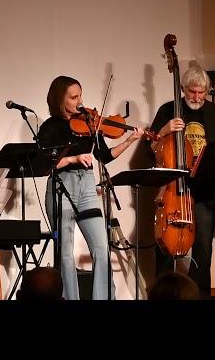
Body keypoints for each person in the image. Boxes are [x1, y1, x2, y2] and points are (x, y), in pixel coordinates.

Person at [37, 76, 143, 300]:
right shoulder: (50, 127)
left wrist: (129, 141)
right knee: (65, 255)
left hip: (86, 186)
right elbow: (47, 162)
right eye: (74, 97)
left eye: (80, 96)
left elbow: (104, 156)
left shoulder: (88, 122)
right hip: (61, 186)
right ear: (59, 99)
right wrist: (74, 158)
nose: (80, 102)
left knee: (101, 249)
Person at [148, 65, 215, 297]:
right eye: (192, 91)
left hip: (203, 191)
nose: (196, 97)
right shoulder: (168, 110)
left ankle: (201, 295)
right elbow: (152, 147)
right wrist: (165, 130)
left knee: (203, 250)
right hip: (174, 191)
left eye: (201, 92)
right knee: (166, 248)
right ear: (182, 89)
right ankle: (163, 295)